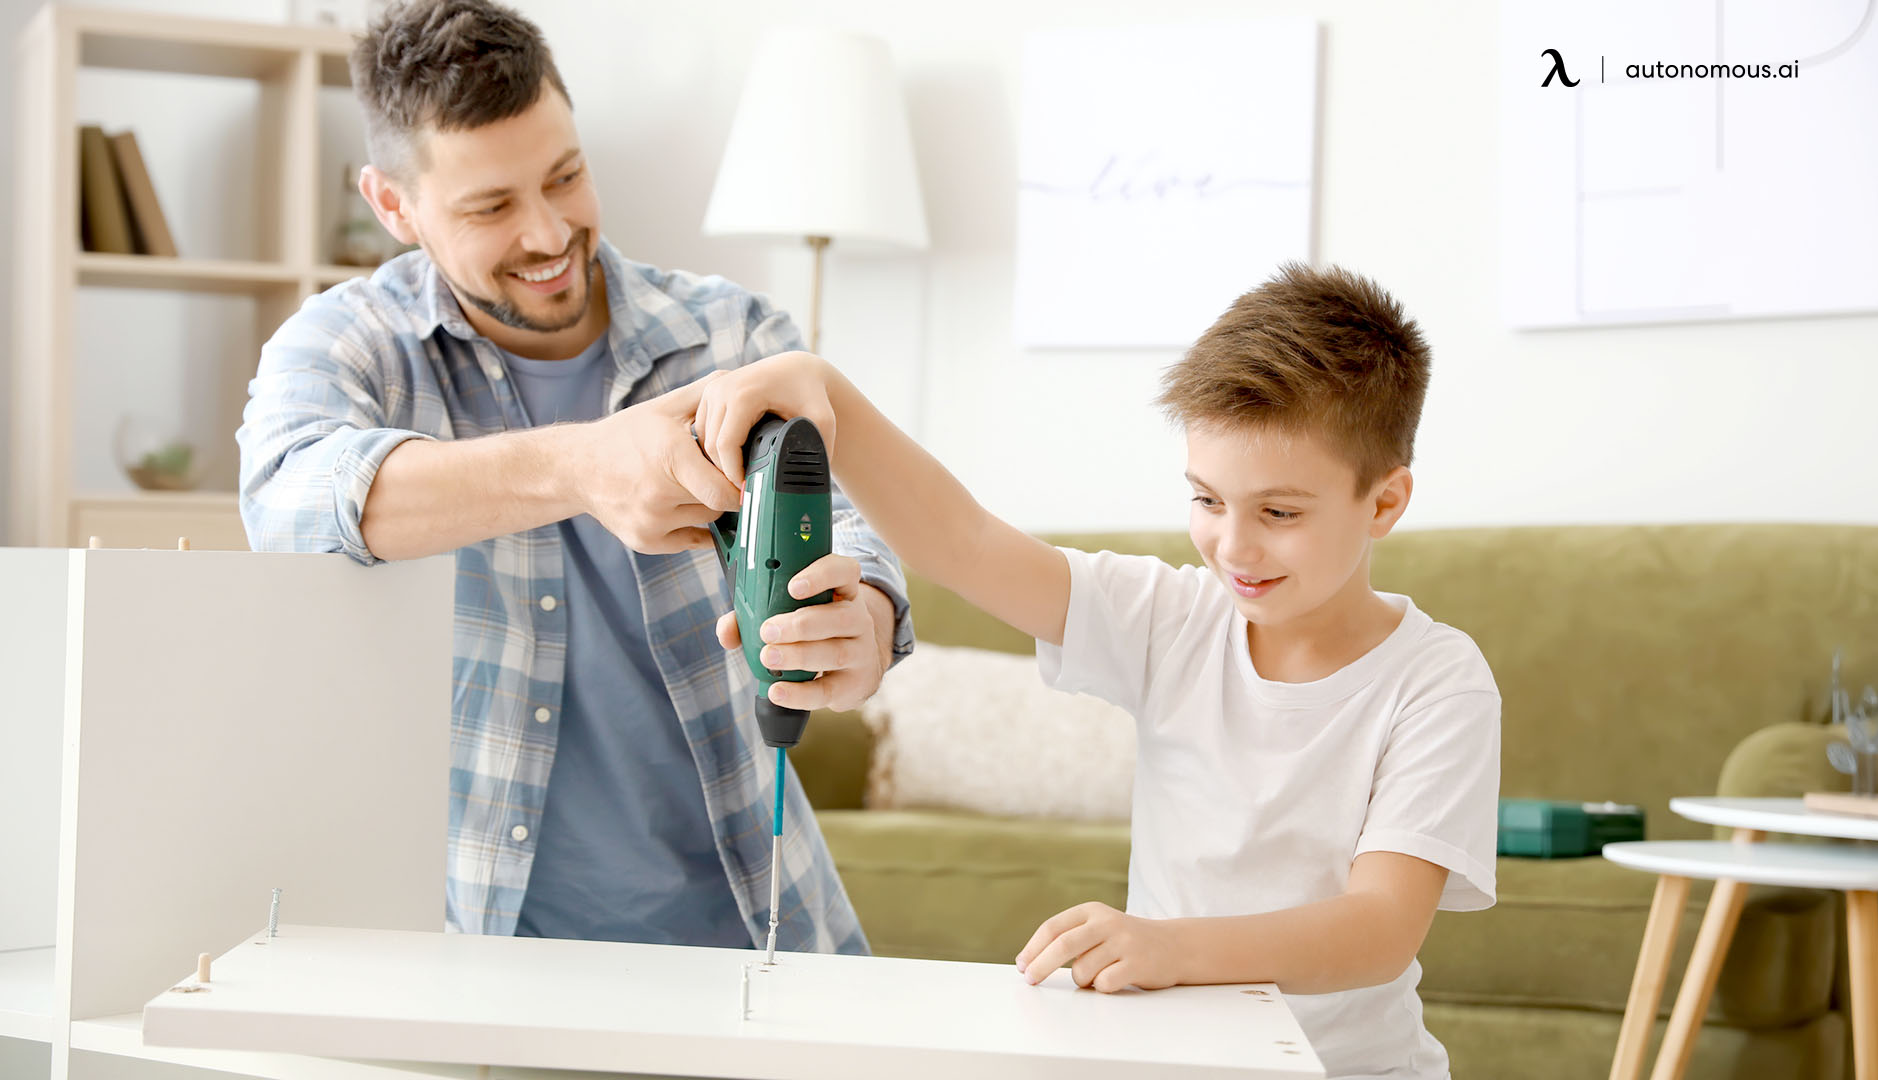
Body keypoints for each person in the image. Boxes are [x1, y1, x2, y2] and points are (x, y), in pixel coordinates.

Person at [691, 264, 1500, 1078]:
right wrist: (830, 394)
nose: (1235, 547)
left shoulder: (1437, 681)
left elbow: (1379, 930)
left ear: (1385, 503)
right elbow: (965, 544)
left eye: (1279, 513)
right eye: (1208, 501)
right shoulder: (1171, 617)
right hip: (1168, 1061)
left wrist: (1168, 948)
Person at [236, 0, 912, 953]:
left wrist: (867, 618)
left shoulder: (730, 337)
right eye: (491, 206)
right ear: (393, 205)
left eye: (567, 177)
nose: (551, 234)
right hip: (488, 957)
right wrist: (579, 465)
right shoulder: (351, 346)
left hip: (760, 934)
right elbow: (287, 505)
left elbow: (847, 525)